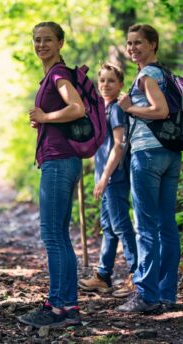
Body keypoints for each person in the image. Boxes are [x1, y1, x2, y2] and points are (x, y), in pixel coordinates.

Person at [17, 22, 86, 328]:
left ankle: (60, 307)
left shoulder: (58, 74)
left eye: (47, 40)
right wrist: (46, 122)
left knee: (53, 235)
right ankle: (64, 305)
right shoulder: (51, 75)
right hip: (61, 160)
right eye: (37, 40)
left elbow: (77, 107)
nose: (41, 45)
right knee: (58, 235)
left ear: (60, 43)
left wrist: (46, 116)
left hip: (60, 162)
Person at [116, 24, 182, 313]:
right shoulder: (166, 74)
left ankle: (146, 296)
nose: (133, 48)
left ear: (153, 44)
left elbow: (161, 110)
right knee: (166, 225)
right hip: (170, 153)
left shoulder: (146, 76)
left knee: (146, 227)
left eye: (139, 43)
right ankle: (166, 294)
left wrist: (129, 108)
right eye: (130, 44)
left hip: (147, 154)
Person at [78, 63, 137, 298]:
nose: (105, 85)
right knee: (109, 229)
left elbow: (120, 145)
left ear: (120, 84)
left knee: (121, 226)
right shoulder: (102, 109)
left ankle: (137, 275)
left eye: (111, 81)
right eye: (102, 80)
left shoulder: (116, 110)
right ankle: (103, 277)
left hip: (115, 177)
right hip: (104, 177)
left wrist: (105, 177)